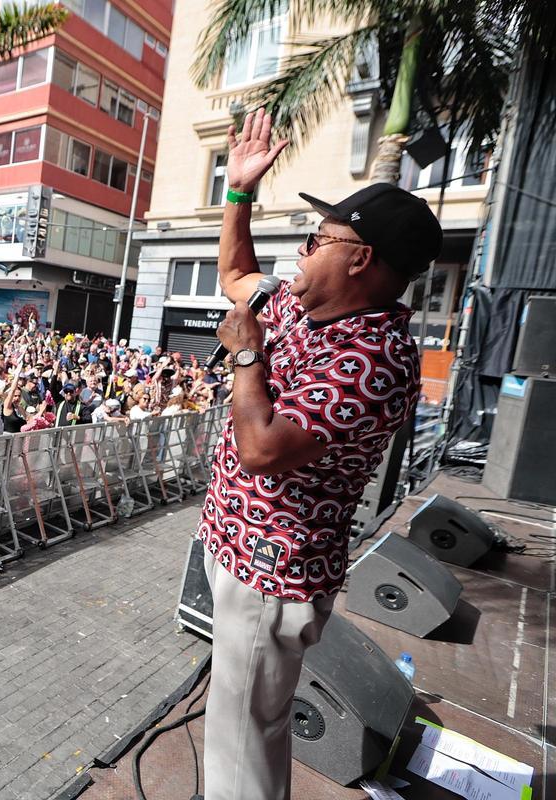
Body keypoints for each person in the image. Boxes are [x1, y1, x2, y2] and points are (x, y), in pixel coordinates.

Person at [196, 108, 437, 800]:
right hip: (235, 550)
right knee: (235, 723)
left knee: (242, 738)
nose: (302, 252)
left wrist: (245, 354)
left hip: (270, 572)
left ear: (360, 259)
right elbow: (237, 272)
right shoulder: (300, 307)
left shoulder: (374, 358)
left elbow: (263, 451)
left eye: (317, 239)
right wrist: (239, 193)